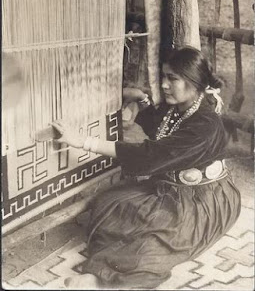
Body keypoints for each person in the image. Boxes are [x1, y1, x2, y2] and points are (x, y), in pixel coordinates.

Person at [51, 46, 241, 290]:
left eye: (172, 79)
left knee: (154, 242)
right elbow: (156, 121)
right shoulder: (178, 108)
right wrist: (139, 100)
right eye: (163, 76)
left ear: (193, 82)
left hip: (202, 201)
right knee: (109, 204)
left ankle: (100, 280)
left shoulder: (206, 124)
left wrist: (84, 142)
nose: (163, 85)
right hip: (171, 188)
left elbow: (150, 156)